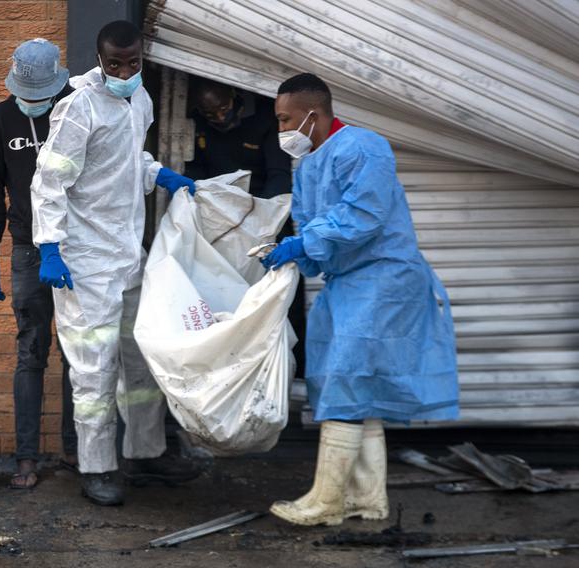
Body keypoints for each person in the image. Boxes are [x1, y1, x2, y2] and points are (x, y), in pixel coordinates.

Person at [262, 73, 459, 526]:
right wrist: (290, 252)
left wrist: (305, 243)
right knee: (352, 387)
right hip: (349, 283)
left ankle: (327, 501)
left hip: (382, 278)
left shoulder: (363, 147)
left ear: (314, 113)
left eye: (285, 119)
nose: (281, 130)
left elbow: (363, 216)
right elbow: (314, 228)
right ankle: (367, 500)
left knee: (347, 383)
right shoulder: (309, 163)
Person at [30, 20, 201, 506]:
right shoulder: (78, 108)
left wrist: (158, 173)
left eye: (132, 62)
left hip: (128, 256)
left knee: (141, 362)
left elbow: (125, 163)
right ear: (99, 59)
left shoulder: (140, 99)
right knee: (94, 372)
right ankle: (98, 467)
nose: (124, 71)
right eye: (114, 64)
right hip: (84, 265)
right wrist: (50, 247)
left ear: (142, 56)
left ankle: (146, 454)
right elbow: (50, 183)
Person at [0, 38, 79, 490]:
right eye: (26, 96)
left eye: (40, 97)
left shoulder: (78, 107)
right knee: (31, 352)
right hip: (26, 249)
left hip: (78, 248)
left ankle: (80, 452)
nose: (32, 104)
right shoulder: (2, 118)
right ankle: (26, 459)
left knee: (82, 352)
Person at [184, 78, 305, 376]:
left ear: (235, 95)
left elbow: (279, 175)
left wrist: (258, 219)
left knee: (280, 294)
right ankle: (233, 370)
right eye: (211, 113)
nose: (220, 117)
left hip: (266, 219)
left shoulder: (263, 118)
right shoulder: (197, 124)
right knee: (229, 295)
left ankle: (293, 371)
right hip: (223, 224)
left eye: (223, 108)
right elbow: (197, 169)